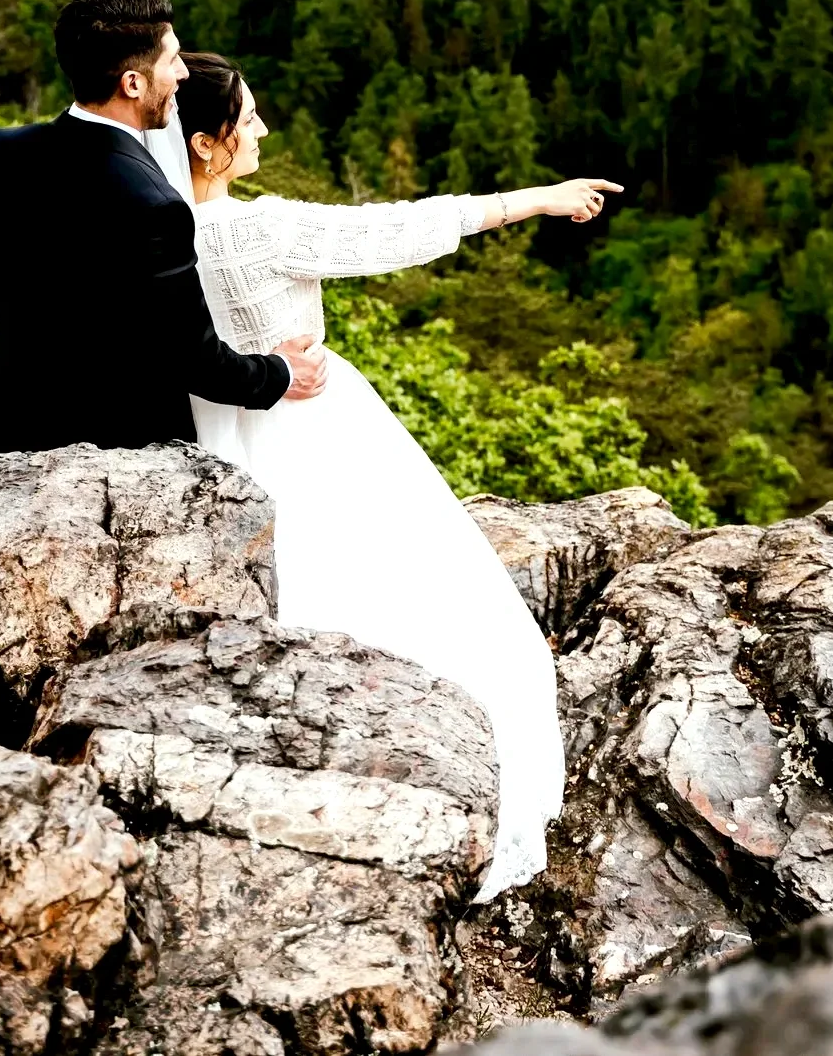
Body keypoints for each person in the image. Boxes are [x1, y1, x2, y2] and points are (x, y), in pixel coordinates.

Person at [172, 50, 620, 902]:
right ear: (208, 143)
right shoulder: (262, 229)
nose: (264, 128)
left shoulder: (149, 232)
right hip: (306, 424)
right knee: (407, 593)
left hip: (206, 438)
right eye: (250, 120)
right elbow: (403, 229)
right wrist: (542, 199)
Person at [0, 0, 329, 457]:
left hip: (11, 434)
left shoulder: (2, 150)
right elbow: (197, 362)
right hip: (118, 454)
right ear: (133, 84)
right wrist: (282, 372)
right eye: (172, 60)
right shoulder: (156, 204)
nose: (182, 74)